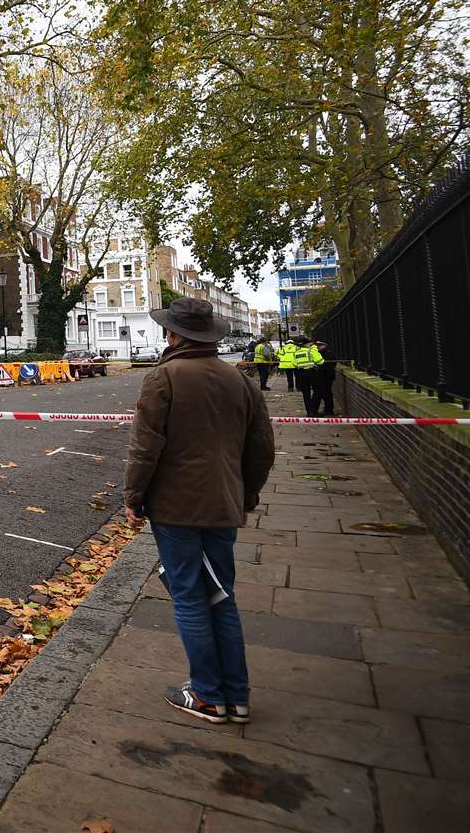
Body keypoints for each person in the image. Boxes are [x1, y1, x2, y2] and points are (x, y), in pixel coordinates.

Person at [125, 296, 275, 725]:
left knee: (191, 597)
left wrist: (133, 499)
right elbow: (261, 450)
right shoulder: (239, 381)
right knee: (222, 597)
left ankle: (209, 695)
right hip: (224, 505)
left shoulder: (164, 378)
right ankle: (237, 696)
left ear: (173, 334)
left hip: (175, 507)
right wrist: (245, 496)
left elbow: (145, 449)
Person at [310, 341, 336, 415]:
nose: (318, 347)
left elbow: (329, 365)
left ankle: (316, 410)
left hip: (324, 376)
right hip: (323, 376)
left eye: (319, 346)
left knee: (320, 393)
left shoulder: (327, 353)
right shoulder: (322, 353)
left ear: (324, 345)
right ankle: (328, 410)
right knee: (326, 394)